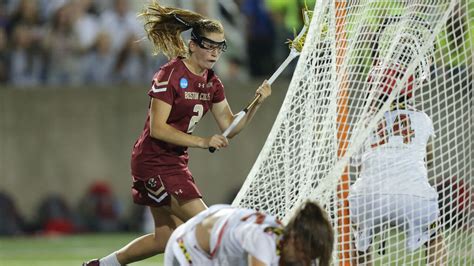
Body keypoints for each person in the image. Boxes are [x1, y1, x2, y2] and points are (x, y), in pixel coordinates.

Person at [83, 1, 271, 265]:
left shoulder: (212, 83)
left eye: (220, 46)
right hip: (154, 161)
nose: (215, 52)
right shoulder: (170, 74)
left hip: (174, 162)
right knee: (210, 226)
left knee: (164, 238)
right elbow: (158, 129)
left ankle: (99, 265)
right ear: (193, 44)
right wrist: (202, 141)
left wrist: (255, 105)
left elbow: (229, 127)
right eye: (208, 44)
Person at [348, 20, 446, 265]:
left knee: (358, 237)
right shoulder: (422, 119)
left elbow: (355, 164)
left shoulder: (364, 122)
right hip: (413, 196)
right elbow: (429, 158)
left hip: (369, 198)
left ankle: (364, 251)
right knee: (435, 237)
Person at [164, 200, 334, 266]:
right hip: (186, 251)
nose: (304, 262)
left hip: (215, 247)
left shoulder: (289, 245)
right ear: (293, 237)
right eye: (303, 253)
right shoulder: (263, 240)